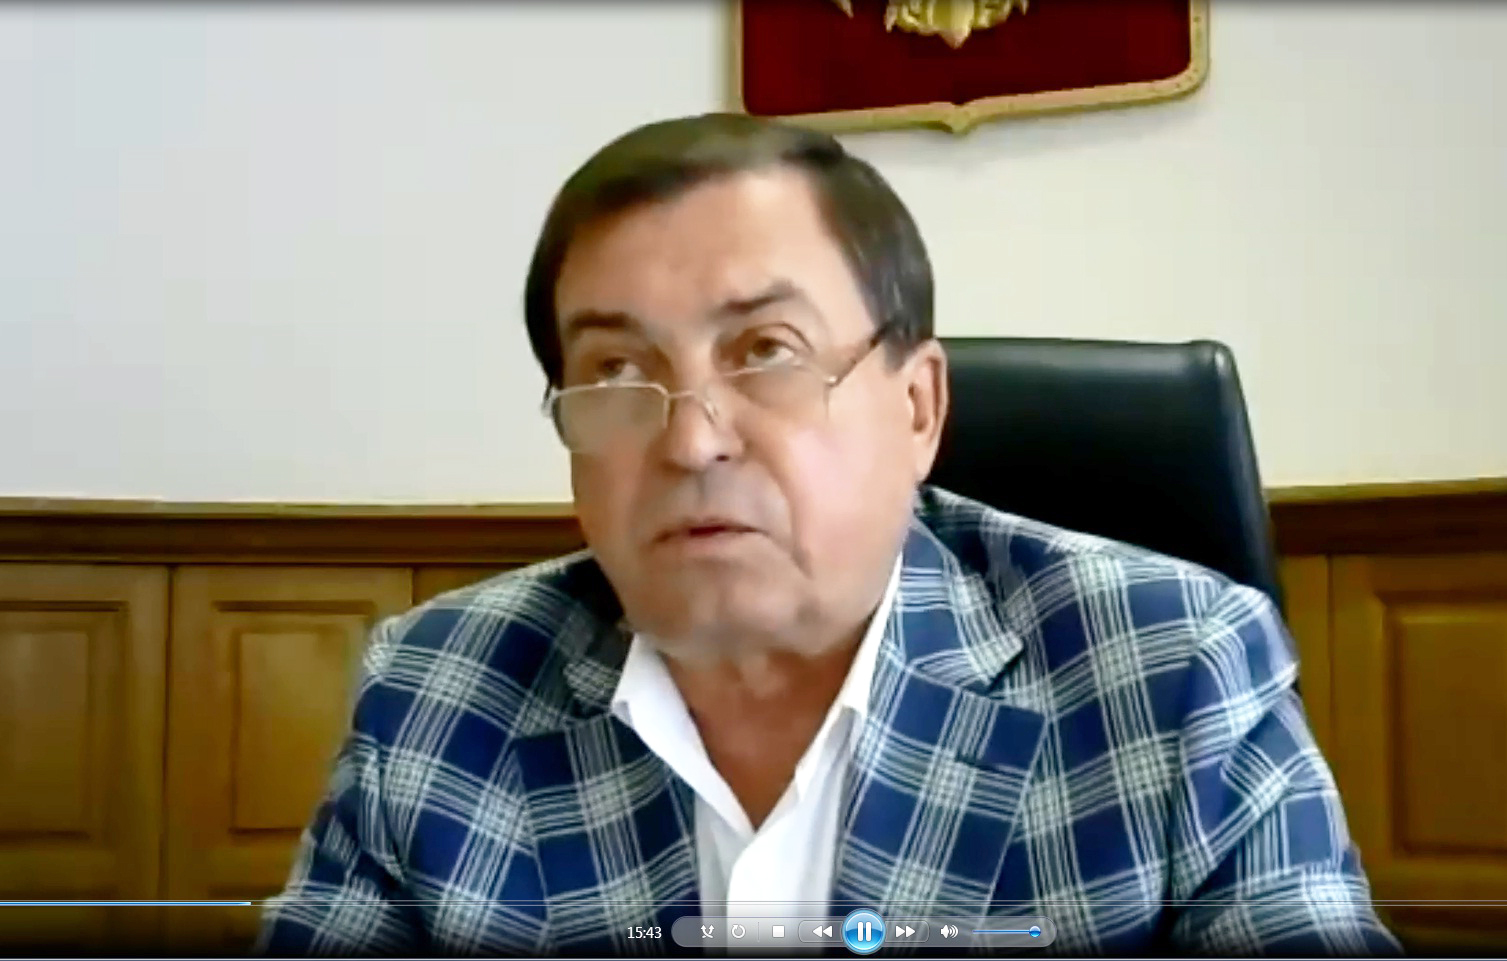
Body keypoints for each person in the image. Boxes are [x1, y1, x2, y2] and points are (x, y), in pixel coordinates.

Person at [258, 113, 1398, 956]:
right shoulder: (436, 696)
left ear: (917, 408)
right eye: (614, 371)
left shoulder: (1175, 676)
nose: (691, 440)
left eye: (766, 351)